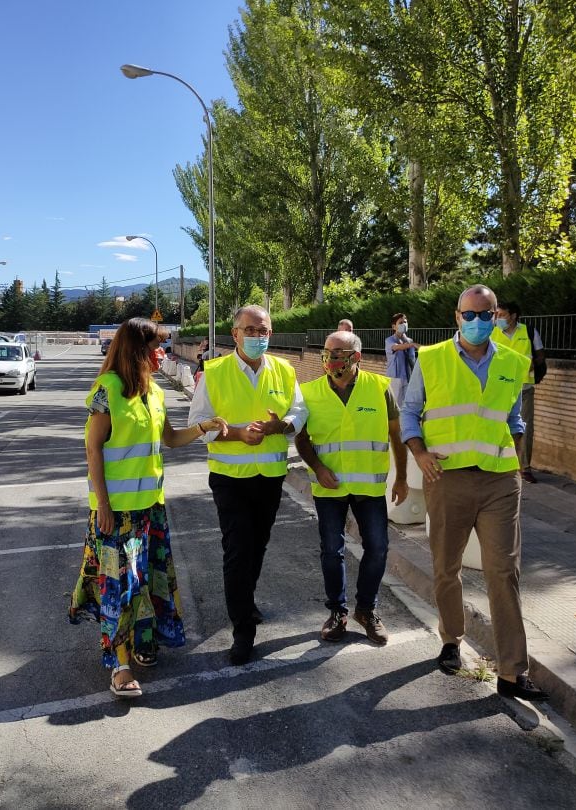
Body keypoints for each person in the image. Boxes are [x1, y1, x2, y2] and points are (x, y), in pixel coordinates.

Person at [401, 284, 547, 702]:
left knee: (504, 571)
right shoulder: (431, 359)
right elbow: (410, 412)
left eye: (487, 314)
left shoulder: (514, 362)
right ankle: (451, 639)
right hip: (447, 477)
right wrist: (421, 453)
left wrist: (516, 461)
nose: (479, 322)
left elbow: (514, 418)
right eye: (470, 315)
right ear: (456, 317)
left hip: (500, 480)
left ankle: (511, 672)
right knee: (447, 566)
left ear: (498, 314)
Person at [69, 318, 227, 697]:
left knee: (144, 581)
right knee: (118, 587)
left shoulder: (154, 393)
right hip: (116, 512)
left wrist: (204, 428)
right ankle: (119, 665)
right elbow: (93, 449)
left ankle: (142, 641)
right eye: (157, 346)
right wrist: (103, 505)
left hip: (150, 509)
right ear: (137, 349)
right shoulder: (108, 390)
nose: (163, 353)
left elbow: (169, 439)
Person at [188, 305, 307, 665]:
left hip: (269, 477)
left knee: (257, 546)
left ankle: (246, 602)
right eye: (251, 330)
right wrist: (237, 433)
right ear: (235, 333)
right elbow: (198, 424)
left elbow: (299, 412)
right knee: (238, 550)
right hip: (229, 479)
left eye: (264, 330)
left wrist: (280, 426)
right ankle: (243, 630)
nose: (259, 336)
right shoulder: (215, 371)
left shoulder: (284, 371)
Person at [296, 330, 408, 646]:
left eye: (337, 353)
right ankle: (337, 613)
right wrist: (318, 468)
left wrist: (401, 478)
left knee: (378, 548)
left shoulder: (379, 388)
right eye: (326, 352)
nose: (329, 359)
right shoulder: (310, 392)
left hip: (369, 487)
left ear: (355, 357)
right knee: (332, 550)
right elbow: (302, 440)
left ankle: (367, 610)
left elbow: (396, 435)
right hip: (329, 487)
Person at [493, 302, 547, 483]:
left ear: (513, 315)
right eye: (497, 315)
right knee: (497, 426)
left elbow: (540, 355)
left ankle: (524, 467)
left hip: (524, 388)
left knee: (525, 427)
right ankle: (497, 463)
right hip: (499, 388)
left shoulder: (529, 332)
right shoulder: (492, 333)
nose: (498, 318)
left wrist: (534, 363)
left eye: (502, 315)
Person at [384, 313, 417, 409]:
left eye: (405, 322)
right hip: (395, 378)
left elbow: (412, 360)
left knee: (408, 407)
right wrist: (412, 345)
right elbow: (396, 347)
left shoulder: (409, 341)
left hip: (408, 378)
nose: (404, 324)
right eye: (401, 322)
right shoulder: (389, 340)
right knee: (395, 407)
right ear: (394, 326)